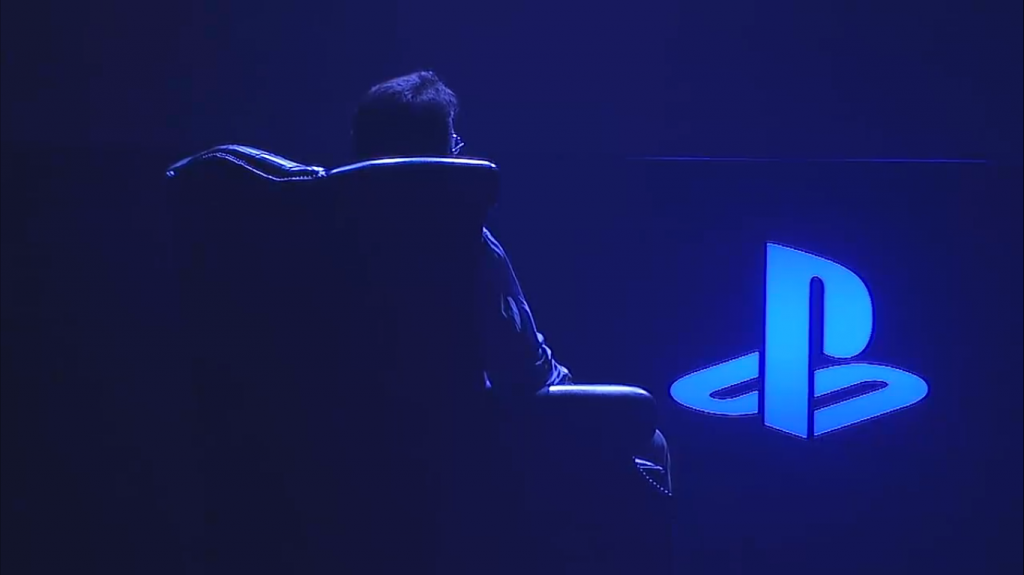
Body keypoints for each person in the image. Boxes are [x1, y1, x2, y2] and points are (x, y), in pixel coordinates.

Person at [349, 71, 670, 489]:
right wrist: (574, 391)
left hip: (353, 447)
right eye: (453, 144)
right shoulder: (467, 247)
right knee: (648, 439)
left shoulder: (315, 234)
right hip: (467, 454)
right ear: (439, 159)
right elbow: (525, 375)